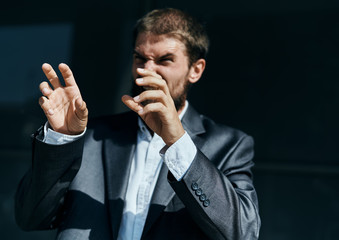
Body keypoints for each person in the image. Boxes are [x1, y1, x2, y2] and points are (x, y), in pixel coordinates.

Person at [15, 8, 260, 240]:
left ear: (195, 70)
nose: (146, 71)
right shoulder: (92, 136)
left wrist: (177, 142)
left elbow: (243, 233)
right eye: (139, 58)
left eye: (164, 60)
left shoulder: (230, 145)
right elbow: (29, 217)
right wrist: (62, 140)